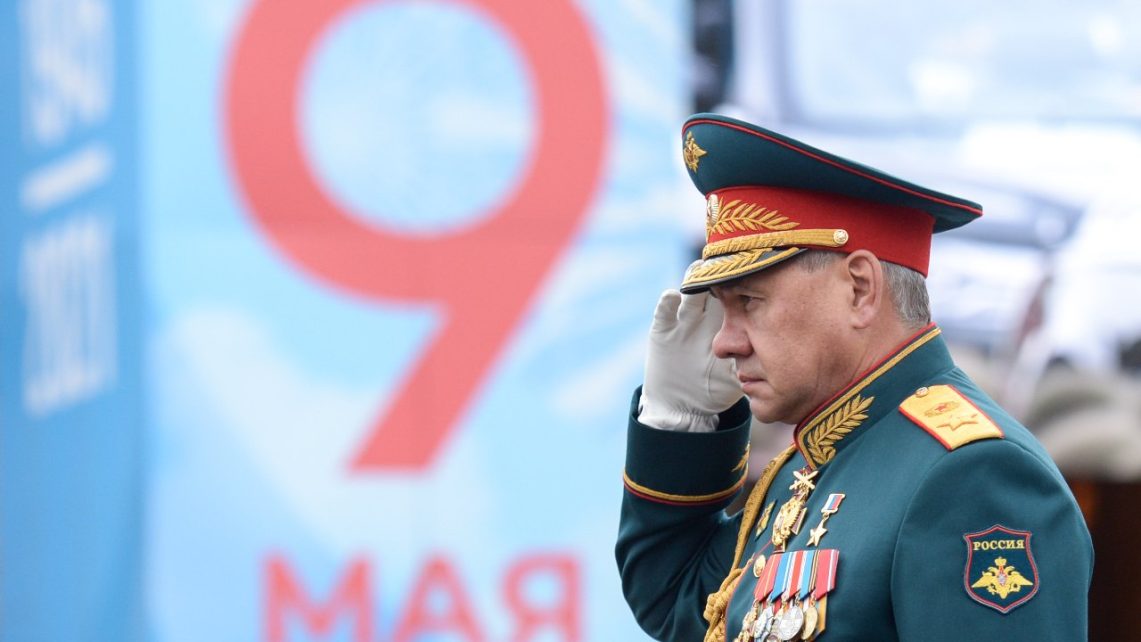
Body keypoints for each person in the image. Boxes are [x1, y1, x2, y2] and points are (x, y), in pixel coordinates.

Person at [616, 113, 1093, 642]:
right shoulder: (813, 462)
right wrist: (681, 422)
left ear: (860, 289)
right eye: (724, 310)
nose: (723, 342)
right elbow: (679, 601)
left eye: (749, 302)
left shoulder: (974, 475)